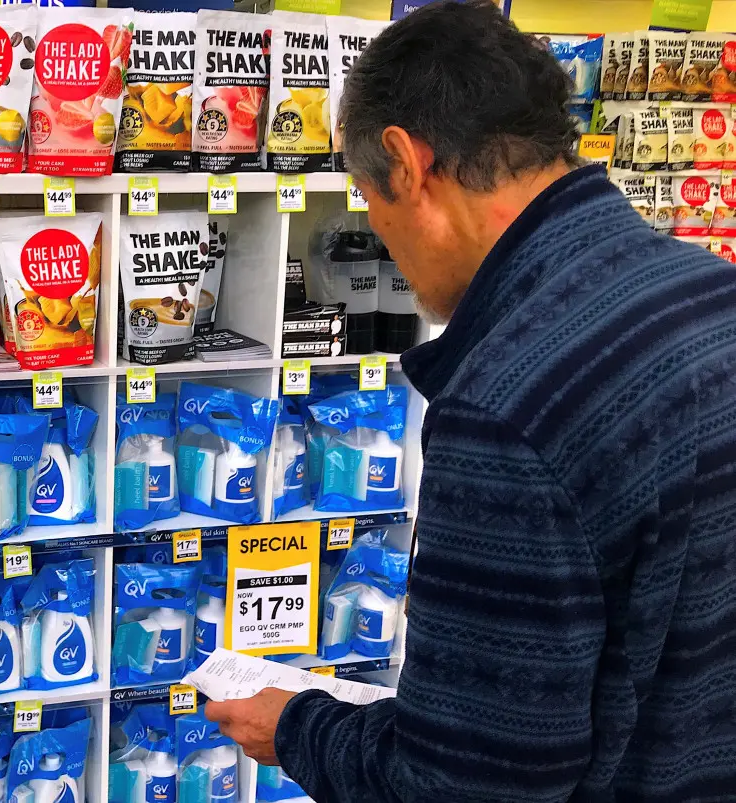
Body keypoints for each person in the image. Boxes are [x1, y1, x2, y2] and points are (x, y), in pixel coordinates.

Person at [206, 3, 736, 801]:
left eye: (367, 201)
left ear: (405, 161)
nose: (381, 236)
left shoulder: (509, 405)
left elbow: (463, 785)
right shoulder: (710, 294)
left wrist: (297, 728)